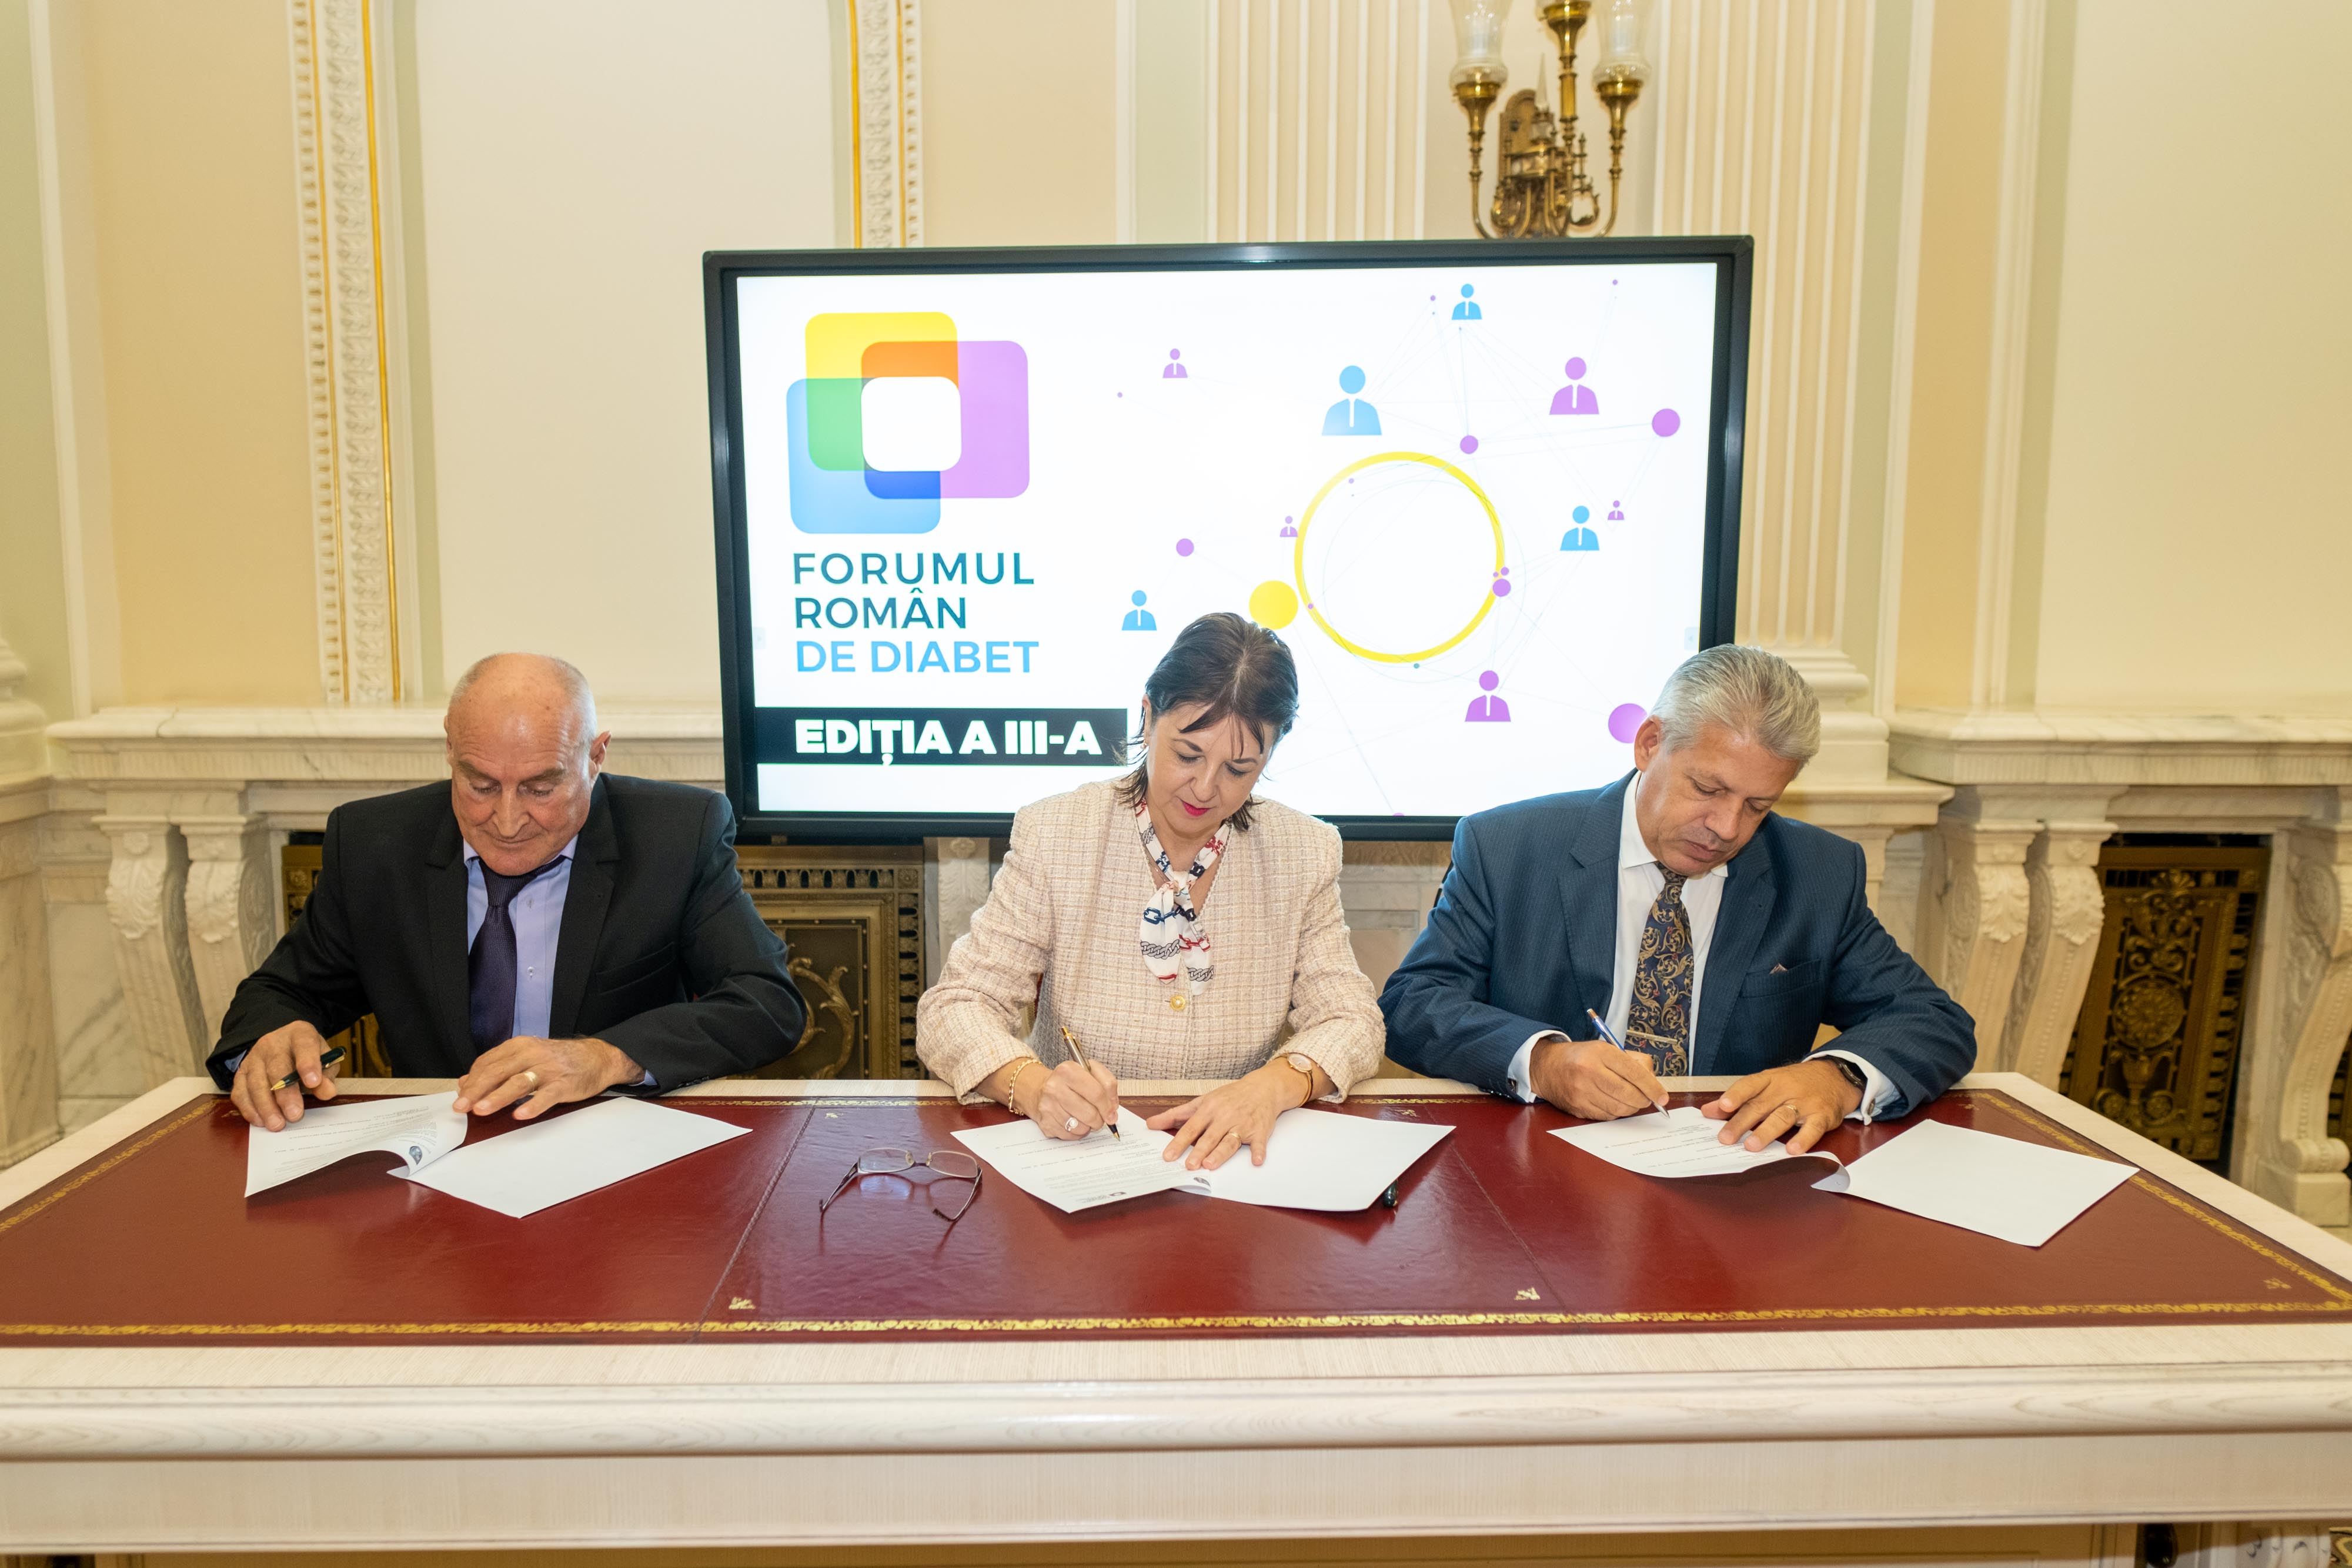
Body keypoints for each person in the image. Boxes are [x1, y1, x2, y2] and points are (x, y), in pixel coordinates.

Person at [1380, 644, 1974, 1155]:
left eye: (1758, 806)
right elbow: (1413, 1004)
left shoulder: (1817, 874)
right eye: (1707, 788)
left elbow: (1933, 1021)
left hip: (1727, 1175)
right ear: (1649, 744)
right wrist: (1541, 1062)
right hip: (1538, 1163)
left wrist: (1836, 1076)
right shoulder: (1509, 847)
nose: (1726, 827)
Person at [211, 653, 808, 1129]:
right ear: (450, 750)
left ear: (595, 757)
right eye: (479, 784)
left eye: (540, 789)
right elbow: (279, 992)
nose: (506, 819)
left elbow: (767, 1002)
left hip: (612, 1154)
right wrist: (273, 1038)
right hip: (436, 1158)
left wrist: (605, 1057)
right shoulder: (374, 844)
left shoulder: (676, 835)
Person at [918, 613, 1384, 1170]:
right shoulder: (1057, 833)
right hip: (1081, 1155)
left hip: (1232, 1162)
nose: (1206, 788)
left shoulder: (1303, 851)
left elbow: (1353, 1020)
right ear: (1147, 716)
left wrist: (1271, 1087)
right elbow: (956, 1007)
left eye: (1239, 769)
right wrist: (1034, 1085)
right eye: (1188, 755)